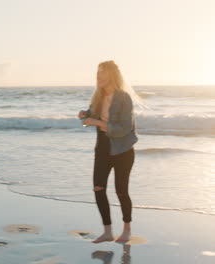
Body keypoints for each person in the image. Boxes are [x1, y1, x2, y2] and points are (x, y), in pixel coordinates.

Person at [78, 60, 139, 243]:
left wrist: (96, 122)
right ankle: (107, 232)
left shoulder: (123, 98)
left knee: (121, 191)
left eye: (102, 72)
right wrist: (84, 115)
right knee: (98, 188)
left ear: (111, 74)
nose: (98, 75)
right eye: (97, 72)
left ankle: (126, 230)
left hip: (123, 150)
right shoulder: (98, 96)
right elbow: (91, 115)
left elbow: (123, 129)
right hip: (102, 149)